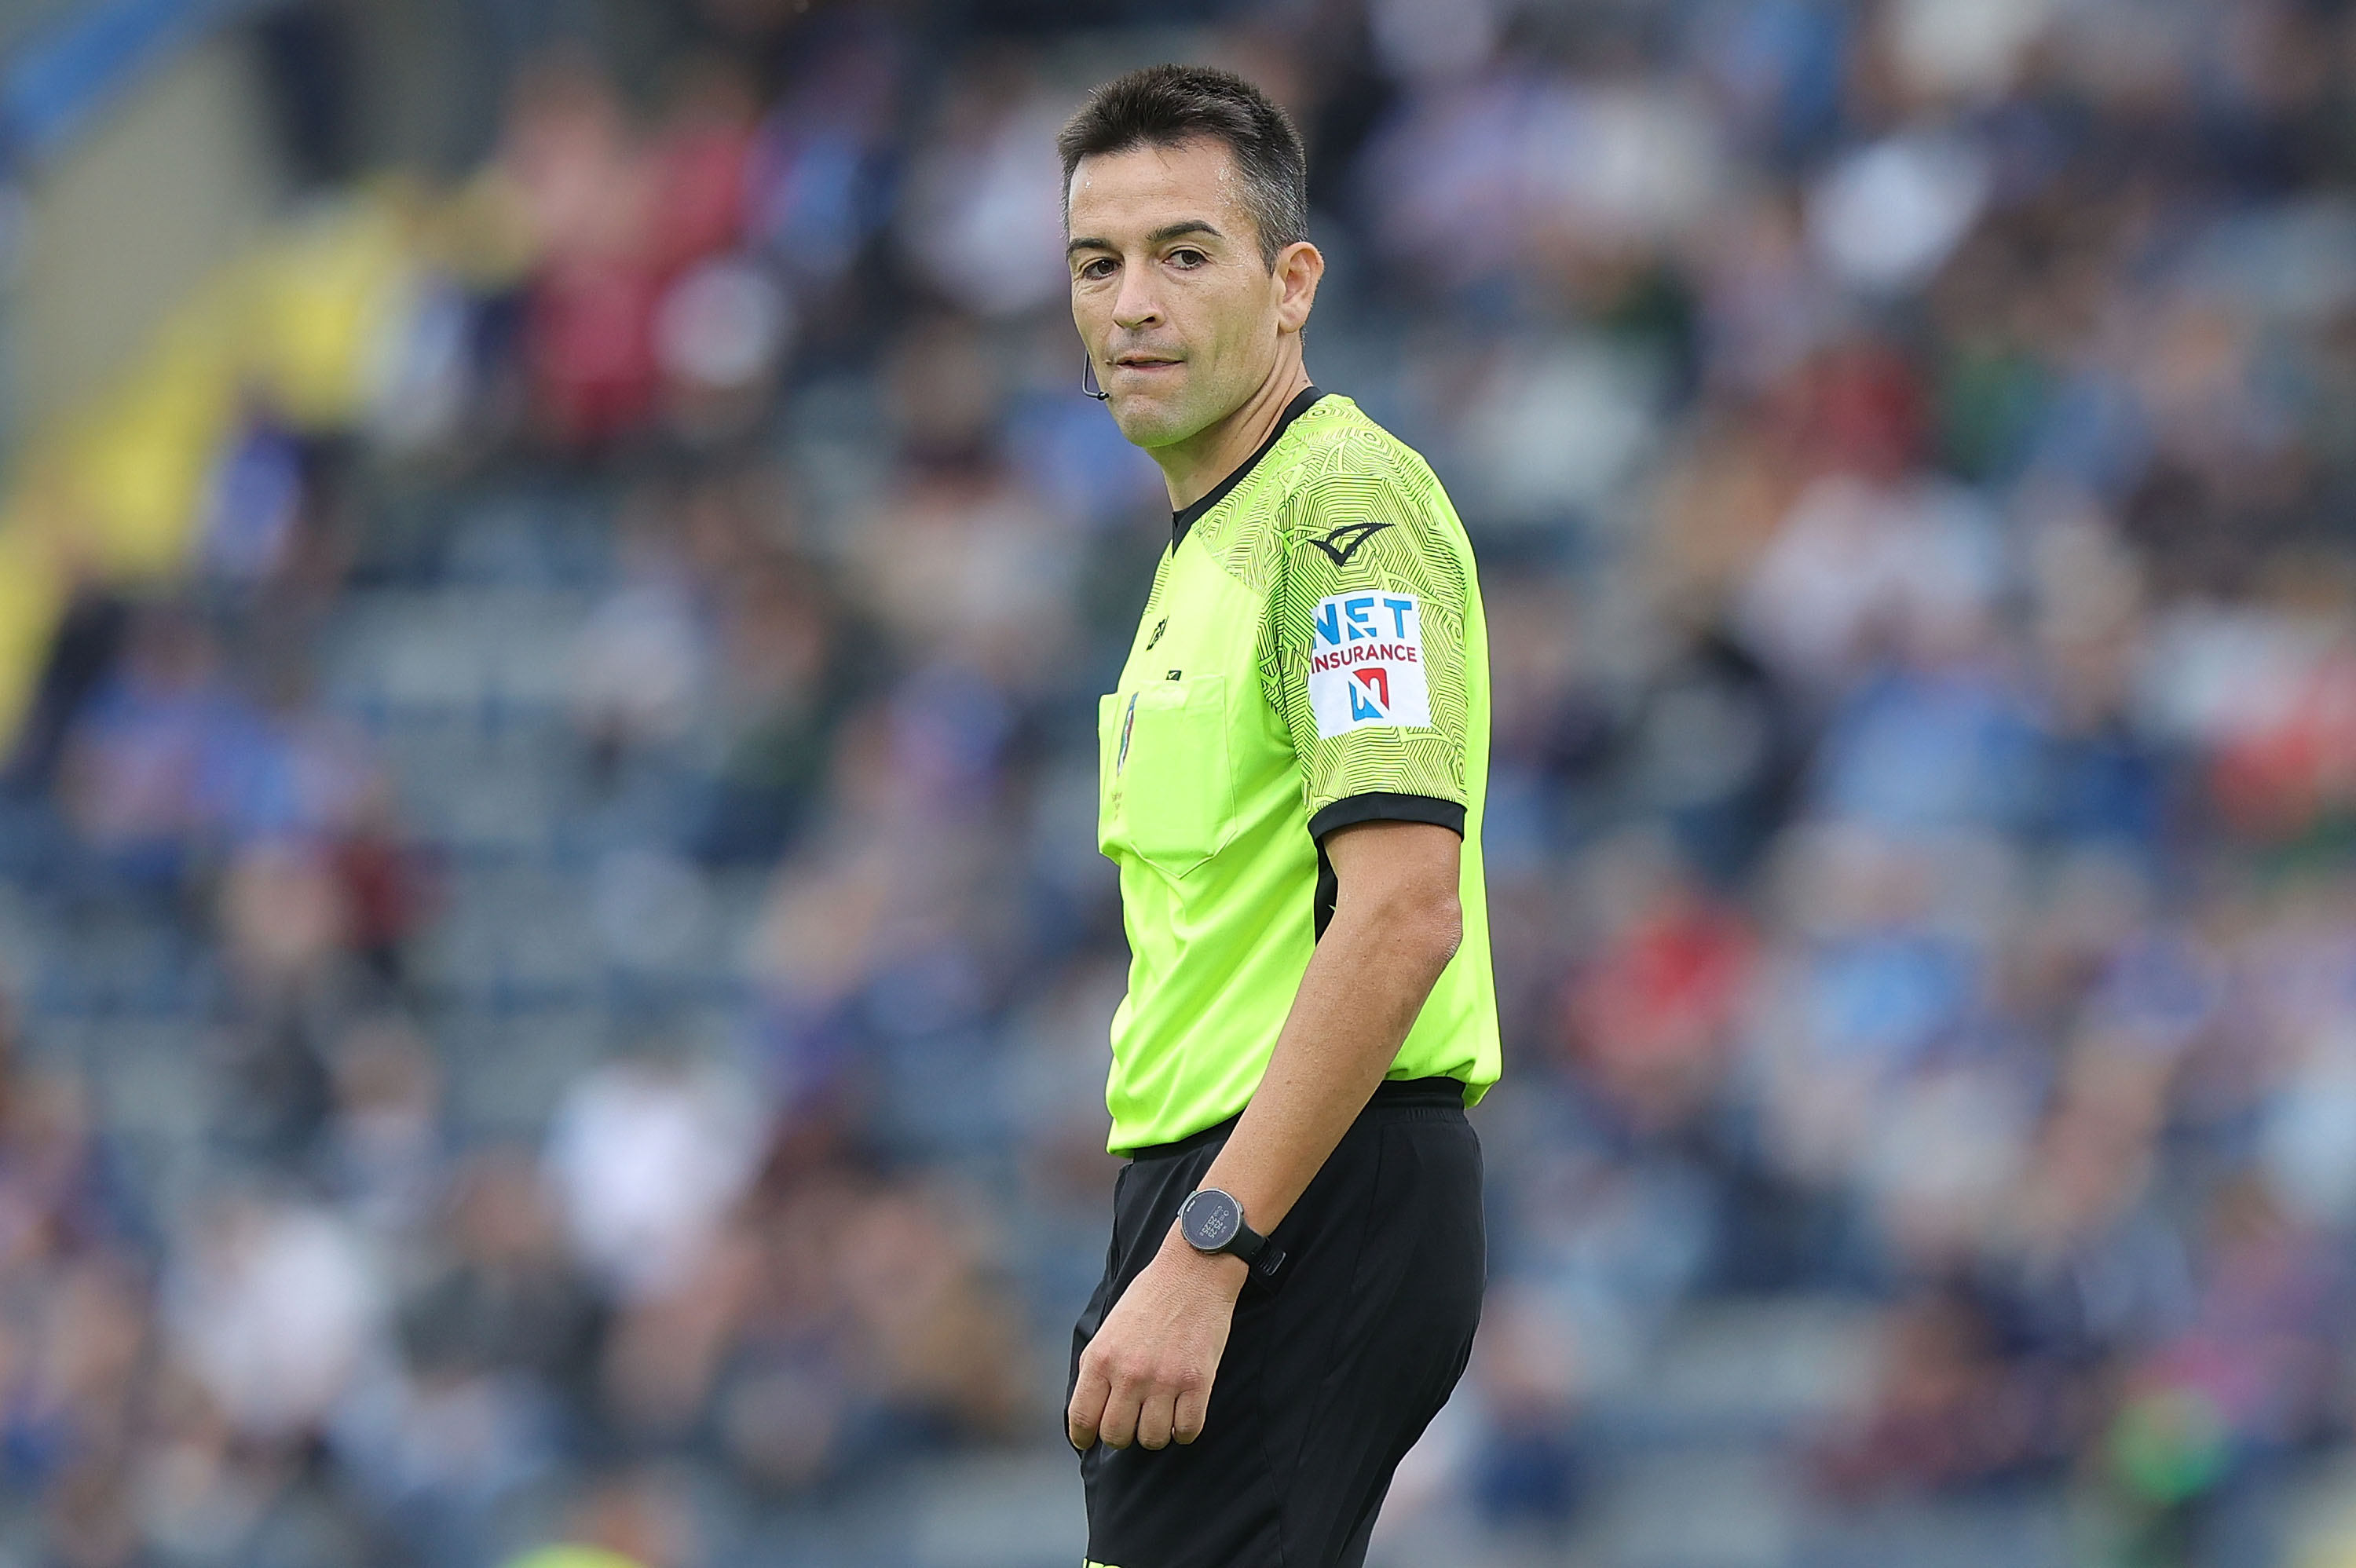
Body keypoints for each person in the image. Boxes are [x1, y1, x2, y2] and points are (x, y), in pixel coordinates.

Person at [1058, 65, 1499, 1568]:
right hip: (1241, 1187)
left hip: (1297, 1192)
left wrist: (1214, 1245)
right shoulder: (1215, 537)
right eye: (1097, 264)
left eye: (1185, 253)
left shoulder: (1342, 509)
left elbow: (1402, 910)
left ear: (1291, 280)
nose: (1132, 304)